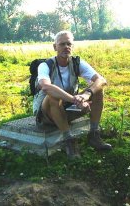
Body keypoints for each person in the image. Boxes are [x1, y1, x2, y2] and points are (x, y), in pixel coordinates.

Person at [33, 30, 112, 159]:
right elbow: (46, 87)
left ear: (72, 46)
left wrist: (85, 96)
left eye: (69, 44)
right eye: (62, 44)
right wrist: (75, 100)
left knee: (98, 90)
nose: (66, 47)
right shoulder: (45, 65)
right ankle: (69, 140)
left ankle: (93, 134)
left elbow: (101, 80)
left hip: (68, 108)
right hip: (46, 115)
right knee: (53, 95)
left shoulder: (76, 63)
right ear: (55, 47)